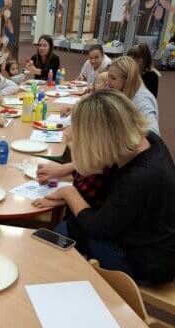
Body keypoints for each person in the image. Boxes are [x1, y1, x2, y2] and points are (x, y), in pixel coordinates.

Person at [33, 90, 175, 286]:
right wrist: (65, 170)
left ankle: (45, 278)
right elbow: (101, 163)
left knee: (66, 231)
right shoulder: (143, 140)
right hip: (148, 235)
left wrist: (68, 192)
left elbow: (98, 227)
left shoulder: (140, 178)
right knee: (68, 224)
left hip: (148, 262)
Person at [107, 56, 160, 136]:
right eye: (108, 77)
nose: (108, 82)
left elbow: (154, 134)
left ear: (128, 79)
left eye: (113, 78)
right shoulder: (125, 91)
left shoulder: (142, 99)